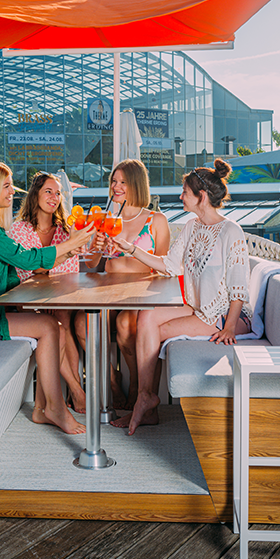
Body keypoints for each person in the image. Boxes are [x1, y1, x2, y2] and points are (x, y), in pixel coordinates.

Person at [108, 159, 252, 435]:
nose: (180, 196)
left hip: (223, 316)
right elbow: (169, 265)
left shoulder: (231, 231)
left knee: (153, 330)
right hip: (196, 308)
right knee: (146, 316)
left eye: (184, 192)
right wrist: (130, 248)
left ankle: (144, 401)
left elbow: (239, 287)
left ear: (202, 196)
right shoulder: (191, 227)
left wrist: (230, 326)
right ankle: (146, 398)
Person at [0, 161, 95, 434]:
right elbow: (26, 259)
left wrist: (71, 247)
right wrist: (71, 244)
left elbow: (31, 263)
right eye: (7, 186)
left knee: (52, 326)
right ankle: (54, 408)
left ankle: (43, 408)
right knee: (48, 326)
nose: (12, 191)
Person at [74, 159, 170, 409]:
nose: (116, 187)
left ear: (136, 185)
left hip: (140, 290)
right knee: (84, 325)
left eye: (123, 182)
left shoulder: (156, 221)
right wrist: (95, 248)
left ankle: (138, 390)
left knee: (126, 324)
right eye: (114, 181)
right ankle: (113, 380)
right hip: (107, 289)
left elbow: (165, 266)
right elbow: (94, 262)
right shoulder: (105, 218)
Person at [8, 172, 85, 413]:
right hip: (26, 300)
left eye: (58, 193)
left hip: (60, 297)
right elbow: (27, 269)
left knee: (62, 319)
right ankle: (77, 390)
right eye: (48, 191)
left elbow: (70, 272)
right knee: (57, 323)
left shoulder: (65, 231)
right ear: (35, 195)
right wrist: (63, 255)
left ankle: (74, 392)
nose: (54, 197)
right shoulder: (19, 230)